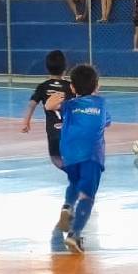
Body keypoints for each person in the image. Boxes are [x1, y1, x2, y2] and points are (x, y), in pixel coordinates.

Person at [45, 64, 111, 254]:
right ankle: (74, 234)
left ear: (72, 88)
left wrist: (54, 100)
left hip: (69, 154)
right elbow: (107, 122)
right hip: (92, 156)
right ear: (97, 86)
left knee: (74, 183)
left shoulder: (69, 106)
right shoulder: (101, 104)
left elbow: (50, 106)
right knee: (87, 196)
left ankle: (67, 206)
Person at [21, 50, 73, 168]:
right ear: (65, 67)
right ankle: (77, 171)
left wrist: (26, 122)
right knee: (73, 153)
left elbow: (31, 105)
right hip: (70, 130)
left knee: (55, 157)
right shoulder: (70, 86)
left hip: (53, 132)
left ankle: (71, 172)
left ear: (47, 67)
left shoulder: (43, 86)